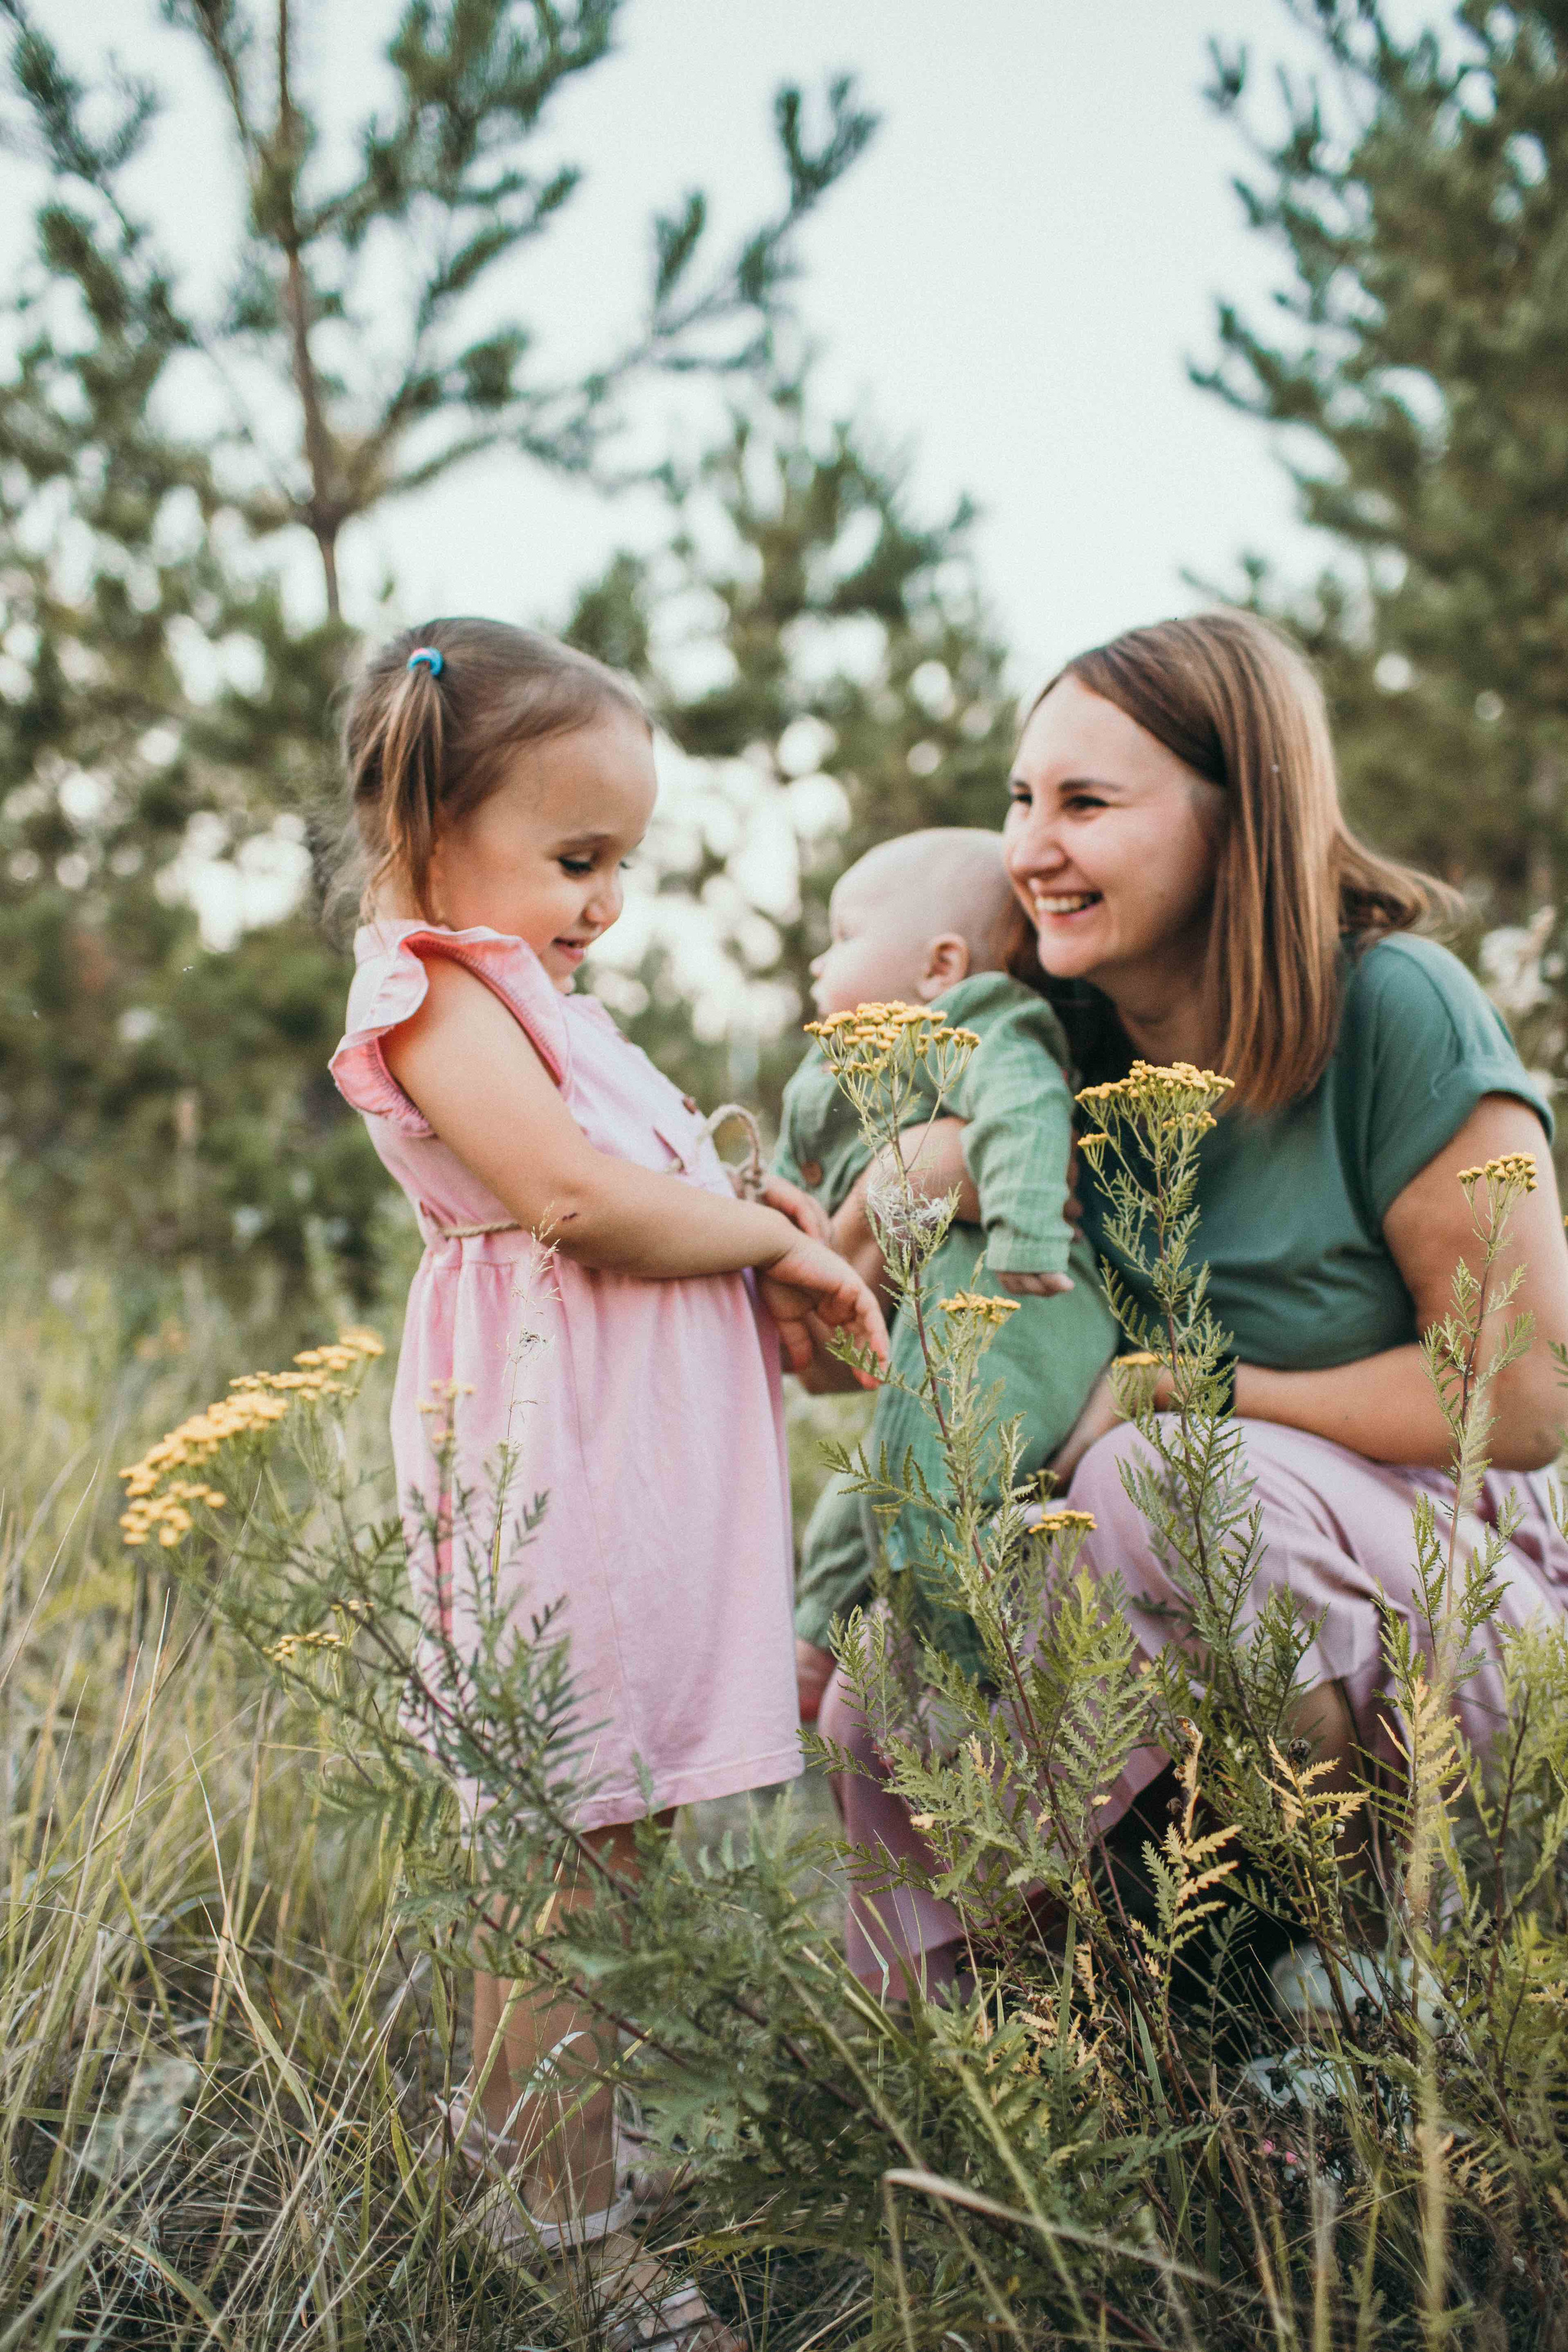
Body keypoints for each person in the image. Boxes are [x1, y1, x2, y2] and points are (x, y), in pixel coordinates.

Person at [816, 608, 1568, 1992]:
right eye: (1019, 798)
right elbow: (834, 1366)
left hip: (1474, 1622)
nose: (1027, 846)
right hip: (1186, 1589)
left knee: (1156, 1473)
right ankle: (1059, 2052)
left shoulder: (1396, 1009)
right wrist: (933, 1174)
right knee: (896, 1665)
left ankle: (1360, 1993)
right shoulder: (1042, 1045)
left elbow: (1518, 1404)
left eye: (1085, 803)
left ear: (1237, 822)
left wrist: (1182, 1386)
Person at [327, 619, 886, 2329]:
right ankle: (553, 2227)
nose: (606, 902)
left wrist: (768, 1223)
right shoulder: (428, 985)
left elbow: (666, 1175)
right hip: (550, 1473)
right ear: (433, 824)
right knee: (560, 1844)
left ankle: (571, 2142)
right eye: (577, 858)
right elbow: (570, 1199)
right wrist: (768, 1252)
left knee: (621, 1828)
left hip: (641, 1478)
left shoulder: (550, 1000)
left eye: (621, 864)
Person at [777, 830, 1115, 1981]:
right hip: (934, 1358)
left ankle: (973, 1720)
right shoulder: (853, 1067)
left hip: (1020, 1325)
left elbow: (1023, 1102)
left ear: (937, 962)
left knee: (944, 1517)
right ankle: (819, 1651)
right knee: (868, 1500)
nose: (817, 968)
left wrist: (1023, 1226)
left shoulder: (982, 1019)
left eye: (838, 941)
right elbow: (809, 1211)